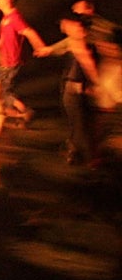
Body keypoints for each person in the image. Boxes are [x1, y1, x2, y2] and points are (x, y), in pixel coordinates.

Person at [37, 13, 101, 166]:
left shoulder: (79, 42)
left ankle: (83, 155)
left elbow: (88, 64)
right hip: (71, 86)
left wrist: (95, 84)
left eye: (68, 24)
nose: (64, 26)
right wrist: (46, 50)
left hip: (76, 87)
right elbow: (55, 49)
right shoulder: (72, 41)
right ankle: (82, 155)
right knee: (77, 122)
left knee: (79, 123)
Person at [0, 0, 47, 123]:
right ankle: (16, 118)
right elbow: (5, 36)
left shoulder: (15, 18)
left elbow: (29, 32)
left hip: (11, 61)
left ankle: (25, 111)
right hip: (5, 60)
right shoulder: (6, 18)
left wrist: (40, 47)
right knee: (2, 90)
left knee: (4, 91)